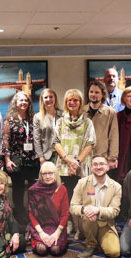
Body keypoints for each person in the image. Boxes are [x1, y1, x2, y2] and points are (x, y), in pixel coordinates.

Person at [54, 89, 95, 237]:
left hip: (81, 166)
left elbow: (91, 143)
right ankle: (68, 223)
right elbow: (56, 142)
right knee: (66, 197)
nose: (72, 102)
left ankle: (80, 227)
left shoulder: (87, 122)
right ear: (66, 102)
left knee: (81, 197)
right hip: (64, 166)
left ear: (80, 102)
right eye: (69, 100)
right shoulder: (60, 122)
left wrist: (76, 162)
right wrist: (68, 160)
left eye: (75, 100)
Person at [70, 155, 121, 258]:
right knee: (89, 214)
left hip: (106, 224)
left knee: (114, 252)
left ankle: (98, 240)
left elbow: (115, 211)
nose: (98, 167)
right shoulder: (82, 183)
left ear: (107, 167)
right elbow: (72, 207)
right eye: (95, 164)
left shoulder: (116, 187)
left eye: (102, 164)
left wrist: (97, 210)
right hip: (87, 222)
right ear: (91, 167)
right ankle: (90, 245)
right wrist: (85, 209)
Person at [2, 91, 39, 227]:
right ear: (15, 103)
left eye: (26, 100)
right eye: (20, 100)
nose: (23, 103)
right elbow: (5, 140)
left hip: (32, 160)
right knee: (17, 190)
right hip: (16, 160)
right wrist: (7, 160)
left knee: (33, 190)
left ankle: (32, 216)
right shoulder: (9, 120)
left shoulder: (33, 118)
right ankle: (19, 217)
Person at [27, 162, 69, 256]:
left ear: (55, 174)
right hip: (40, 227)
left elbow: (65, 214)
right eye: (44, 174)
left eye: (50, 173)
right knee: (41, 249)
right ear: (41, 175)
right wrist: (41, 233)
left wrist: (57, 233)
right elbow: (31, 214)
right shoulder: (33, 190)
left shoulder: (62, 189)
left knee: (55, 250)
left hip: (57, 227)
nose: (47, 176)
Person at [83, 81, 119, 170]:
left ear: (103, 94)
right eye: (91, 92)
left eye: (97, 92)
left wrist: (112, 158)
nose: (93, 94)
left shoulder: (110, 112)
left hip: (102, 157)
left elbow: (113, 136)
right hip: (83, 157)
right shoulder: (82, 111)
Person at [33, 88, 63, 165]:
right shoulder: (37, 117)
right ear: (42, 100)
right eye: (46, 97)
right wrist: (41, 157)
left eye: (51, 96)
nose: (48, 99)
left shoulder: (63, 115)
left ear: (55, 98)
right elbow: (37, 139)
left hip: (62, 153)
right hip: (46, 155)